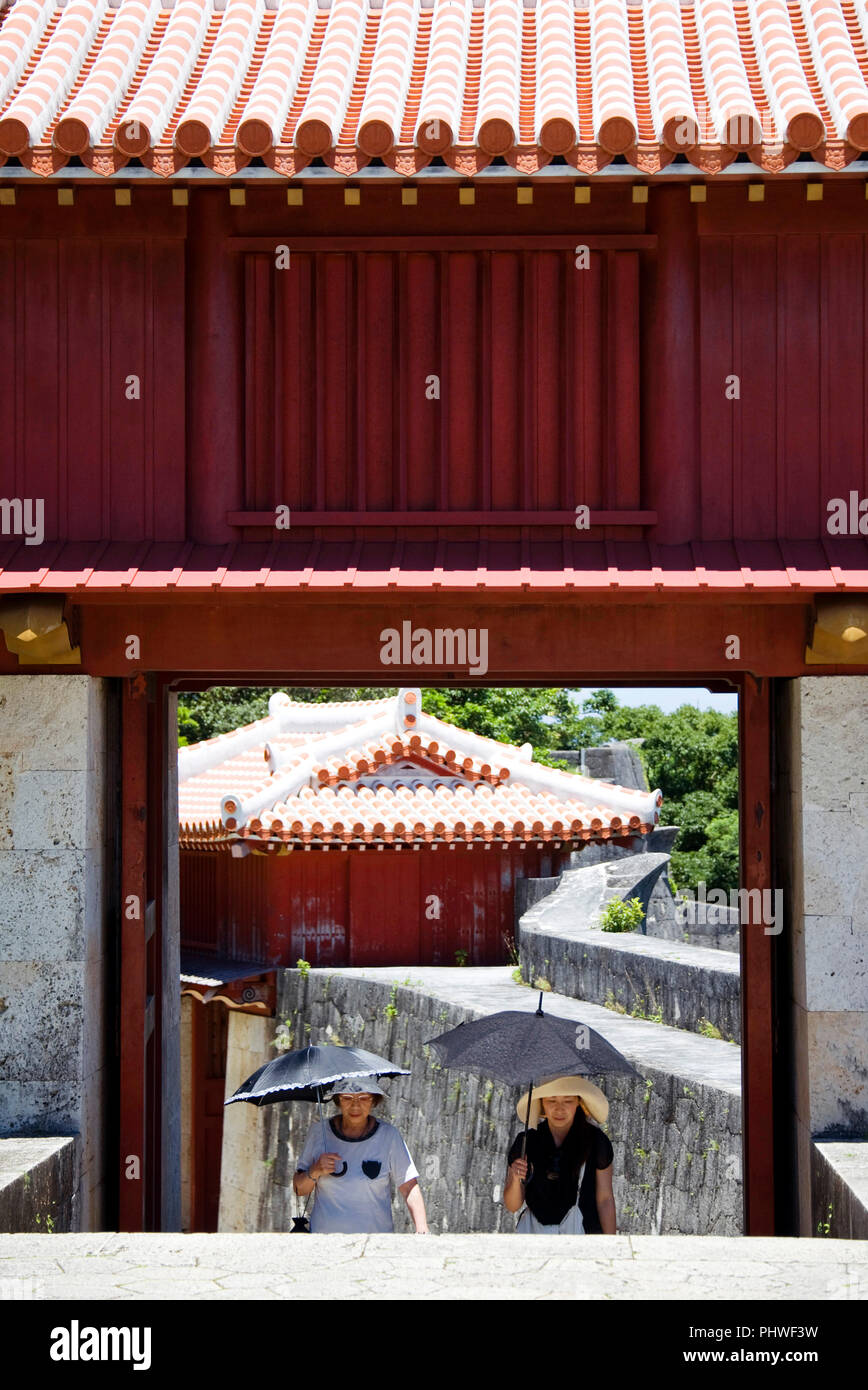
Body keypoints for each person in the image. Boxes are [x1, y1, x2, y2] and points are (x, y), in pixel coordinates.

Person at [293, 1078, 429, 1233]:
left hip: (375, 1244)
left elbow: (409, 1186)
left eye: (364, 1098)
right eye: (347, 1098)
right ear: (337, 1099)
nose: (355, 1105)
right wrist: (315, 1170)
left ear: (374, 1100)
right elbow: (299, 1189)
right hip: (325, 1244)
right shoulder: (319, 1133)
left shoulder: (389, 1136)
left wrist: (422, 1228)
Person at [503, 1076, 616, 1234]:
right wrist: (516, 1178)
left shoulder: (596, 1142)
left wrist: (611, 1244)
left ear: (579, 1102)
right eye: (551, 1100)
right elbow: (512, 1205)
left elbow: (605, 1199)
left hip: (584, 1237)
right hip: (535, 1237)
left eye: (568, 1101)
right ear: (542, 1102)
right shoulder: (527, 1142)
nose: (559, 1109)